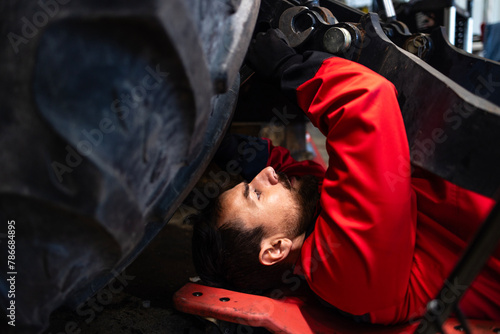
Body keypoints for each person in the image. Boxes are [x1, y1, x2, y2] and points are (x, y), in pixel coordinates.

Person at [191, 28, 500, 324]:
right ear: (274, 249)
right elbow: (367, 103)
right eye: (255, 194)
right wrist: (292, 70)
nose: (268, 175)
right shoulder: (344, 273)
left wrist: (222, 146)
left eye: (250, 184)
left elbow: (306, 178)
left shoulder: (314, 234)